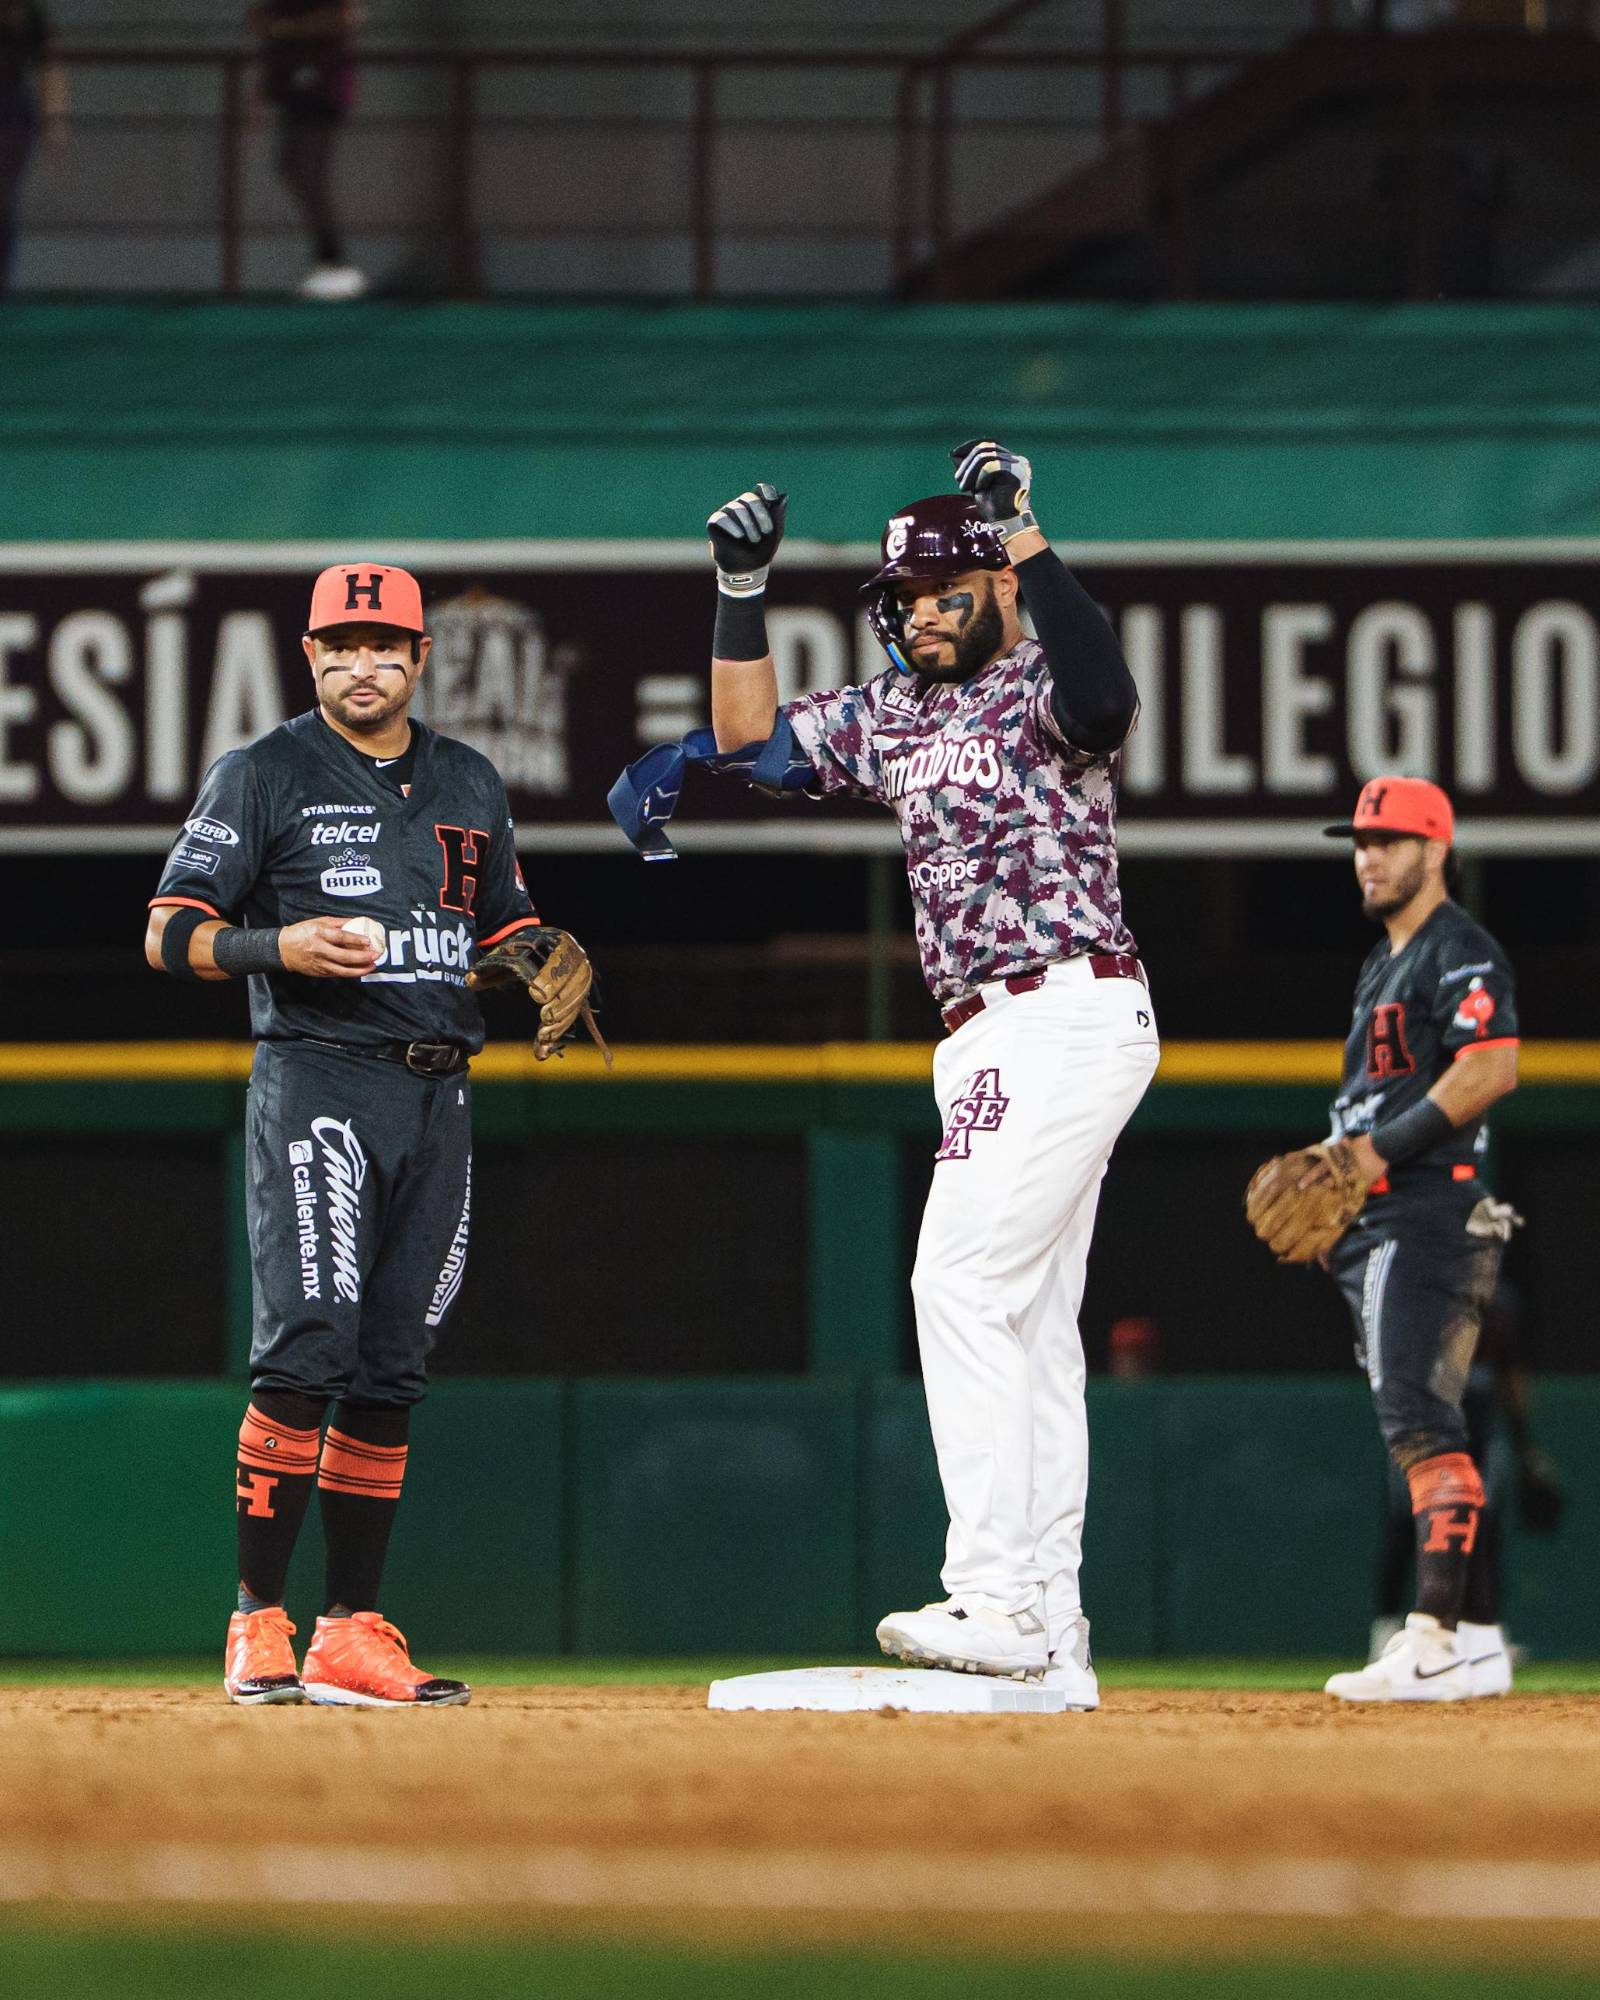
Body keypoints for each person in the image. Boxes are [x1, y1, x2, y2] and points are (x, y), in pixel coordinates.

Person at [693, 442, 1158, 1707]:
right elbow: (744, 743)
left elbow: (1108, 702)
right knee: (1031, 1326)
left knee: (953, 1278)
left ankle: (996, 1592)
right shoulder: (896, 712)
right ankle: (1051, 1629)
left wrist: (1023, 531)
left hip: (1059, 1006)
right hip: (987, 1032)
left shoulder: (1034, 685)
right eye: (901, 597)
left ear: (996, 586)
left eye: (941, 588)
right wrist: (743, 589)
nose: (915, 612)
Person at [145, 562, 575, 1708]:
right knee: (308, 1347)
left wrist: (536, 952)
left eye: (386, 646)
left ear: (420, 658)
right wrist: (273, 947)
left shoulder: (468, 777)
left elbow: (501, 917)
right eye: (342, 644)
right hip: (322, 1079)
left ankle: (350, 1628)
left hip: (439, 1093)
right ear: (311, 655)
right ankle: (257, 1619)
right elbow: (169, 930)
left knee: (392, 1366)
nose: (363, 664)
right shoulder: (266, 772)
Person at [1310, 777, 1521, 1701]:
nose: (1368, 856)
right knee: (1413, 1424)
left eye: (1388, 840)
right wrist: (1333, 1183)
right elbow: (1367, 1102)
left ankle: (1431, 1632)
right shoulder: (1380, 962)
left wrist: (1371, 1160)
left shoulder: (1459, 948)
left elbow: (1493, 1066)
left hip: (1428, 1210)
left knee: (1422, 1421)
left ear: (1437, 850)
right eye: (1360, 841)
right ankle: (1474, 1637)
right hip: (1380, 1211)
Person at [1367, 1279, 1564, 1682]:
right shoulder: (1418, 1289)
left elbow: (1511, 1375)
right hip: (1423, 1439)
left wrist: (1525, 1445)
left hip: (1479, 1437)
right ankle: (1389, 1634)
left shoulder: (1497, 1301)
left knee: (1483, 1533)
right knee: (1407, 1530)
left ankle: (1481, 1636)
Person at [249, 0, 366, 300]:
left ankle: (333, 260)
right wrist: (260, 95)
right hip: (291, 83)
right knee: (290, 165)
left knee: (310, 169)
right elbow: (259, 21)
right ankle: (328, 256)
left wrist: (288, 29)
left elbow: (349, 16)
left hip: (323, 85)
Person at [0, 2, 66, 296]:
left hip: (11, 111)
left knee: (4, 199)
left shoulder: (28, 14)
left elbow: (50, 64)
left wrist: (54, 119)